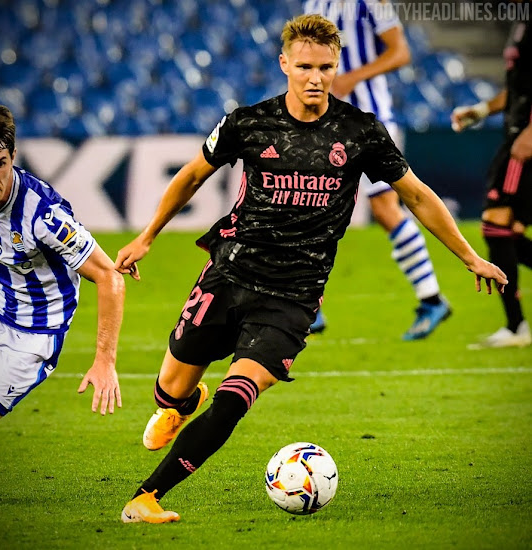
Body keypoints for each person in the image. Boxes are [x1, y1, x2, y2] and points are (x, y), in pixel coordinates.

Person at [116, 14, 507, 524]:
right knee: (170, 387)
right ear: (285, 64)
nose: (316, 77)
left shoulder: (360, 131)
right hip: (229, 275)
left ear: (337, 65)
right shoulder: (248, 123)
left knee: (235, 399)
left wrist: (470, 256)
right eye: (304, 67)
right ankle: (179, 405)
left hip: (292, 298)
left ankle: (146, 497)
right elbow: (191, 175)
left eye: (325, 67)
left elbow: (415, 195)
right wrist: (146, 236)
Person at [304, 0, 451, 339]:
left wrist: (352, 78)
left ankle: (431, 299)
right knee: (308, 205)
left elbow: (400, 52)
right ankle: (307, 303)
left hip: (369, 122)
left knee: (386, 210)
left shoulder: (371, 2)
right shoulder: (313, 2)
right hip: (327, 122)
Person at [0, 104, 125, 422]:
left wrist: (105, 360)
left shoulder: (42, 216)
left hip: (32, 335)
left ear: (13, 156)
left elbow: (109, 276)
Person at [452, 17, 531, 349]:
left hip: (523, 140)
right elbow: (519, 89)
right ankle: (516, 326)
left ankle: (516, 327)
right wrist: (481, 110)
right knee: (508, 232)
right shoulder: (521, 22)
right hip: (515, 134)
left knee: (496, 226)